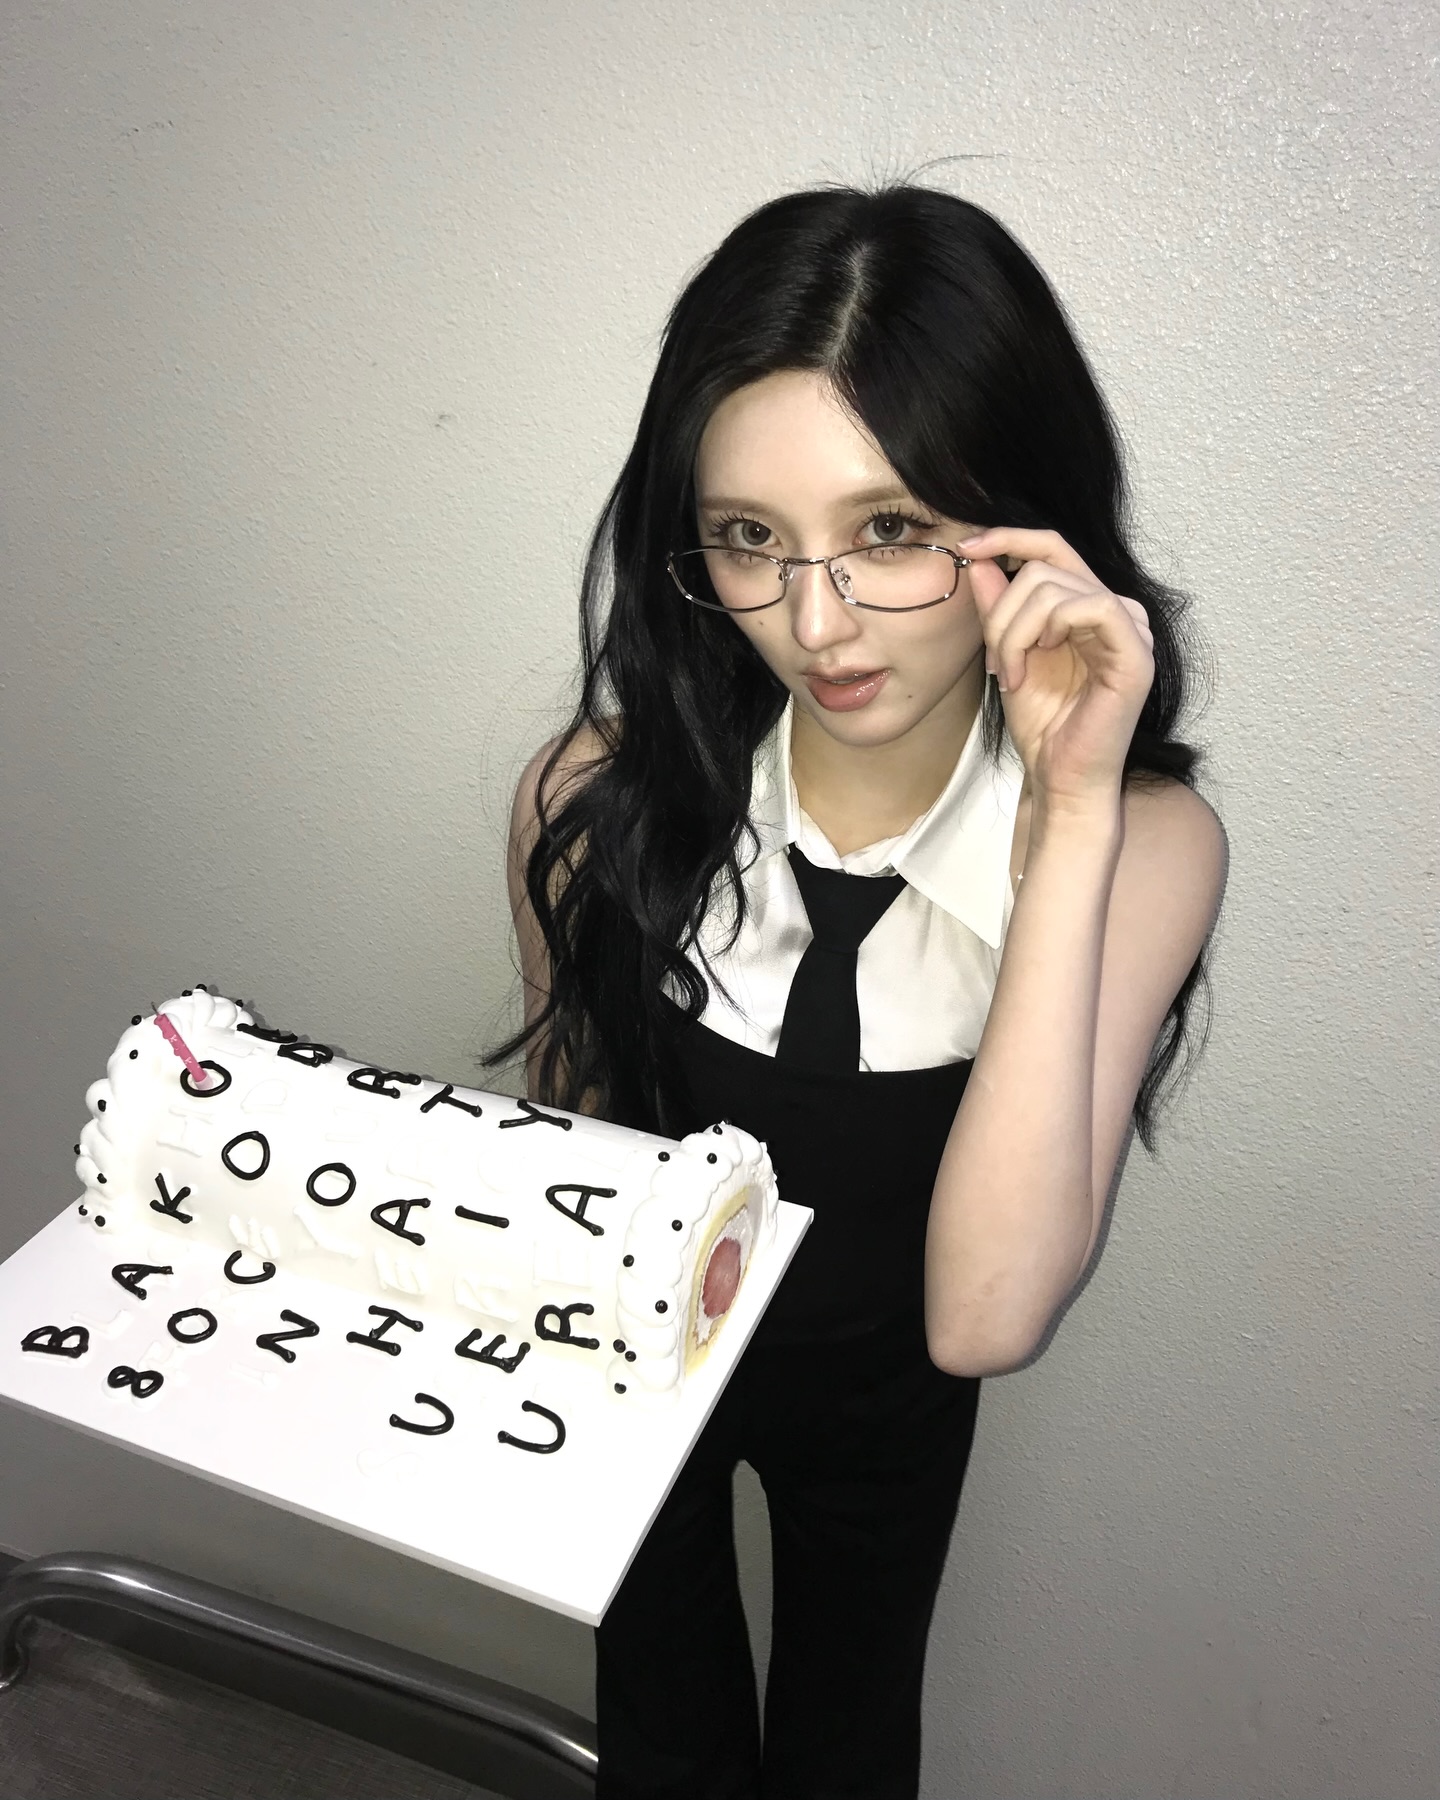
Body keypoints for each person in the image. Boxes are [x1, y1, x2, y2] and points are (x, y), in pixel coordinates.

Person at [488, 183, 1228, 1800]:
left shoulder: (1144, 847)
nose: (814, 624)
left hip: (891, 1398)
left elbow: (983, 1317)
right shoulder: (589, 800)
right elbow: (577, 1159)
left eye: (890, 531)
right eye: (750, 539)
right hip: (639, 1365)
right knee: (659, 1730)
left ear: (1024, 523)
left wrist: (1074, 814)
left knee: (848, 1743)